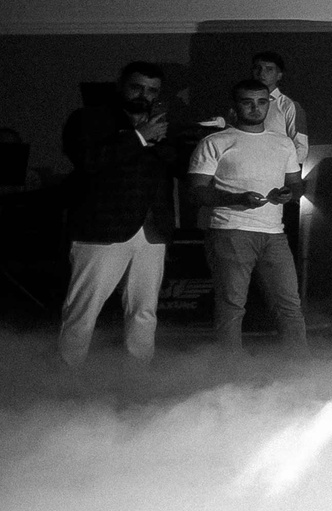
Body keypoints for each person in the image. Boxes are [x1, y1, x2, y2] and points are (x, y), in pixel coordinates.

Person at [57, 62, 184, 366]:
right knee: (83, 310)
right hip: (102, 229)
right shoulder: (89, 118)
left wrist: (158, 141)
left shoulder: (161, 124)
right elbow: (88, 161)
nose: (144, 95)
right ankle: (67, 374)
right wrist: (138, 137)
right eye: (137, 87)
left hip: (152, 229)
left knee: (144, 311)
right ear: (121, 85)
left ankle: (138, 374)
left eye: (152, 90)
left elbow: (177, 165)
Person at [188, 80, 307, 352]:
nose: (256, 108)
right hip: (230, 231)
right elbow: (196, 191)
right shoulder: (216, 142)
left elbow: (296, 184)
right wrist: (238, 198)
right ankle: (230, 368)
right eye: (248, 102)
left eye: (262, 102)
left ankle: (299, 366)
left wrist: (288, 193)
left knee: (289, 305)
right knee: (231, 305)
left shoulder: (283, 143)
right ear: (235, 106)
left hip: (274, 233)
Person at [250, 51, 309, 166]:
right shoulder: (242, 104)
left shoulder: (288, 106)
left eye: (269, 69)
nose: (262, 73)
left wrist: (289, 171)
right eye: (258, 68)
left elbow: (301, 146)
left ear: (279, 75)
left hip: (276, 169)